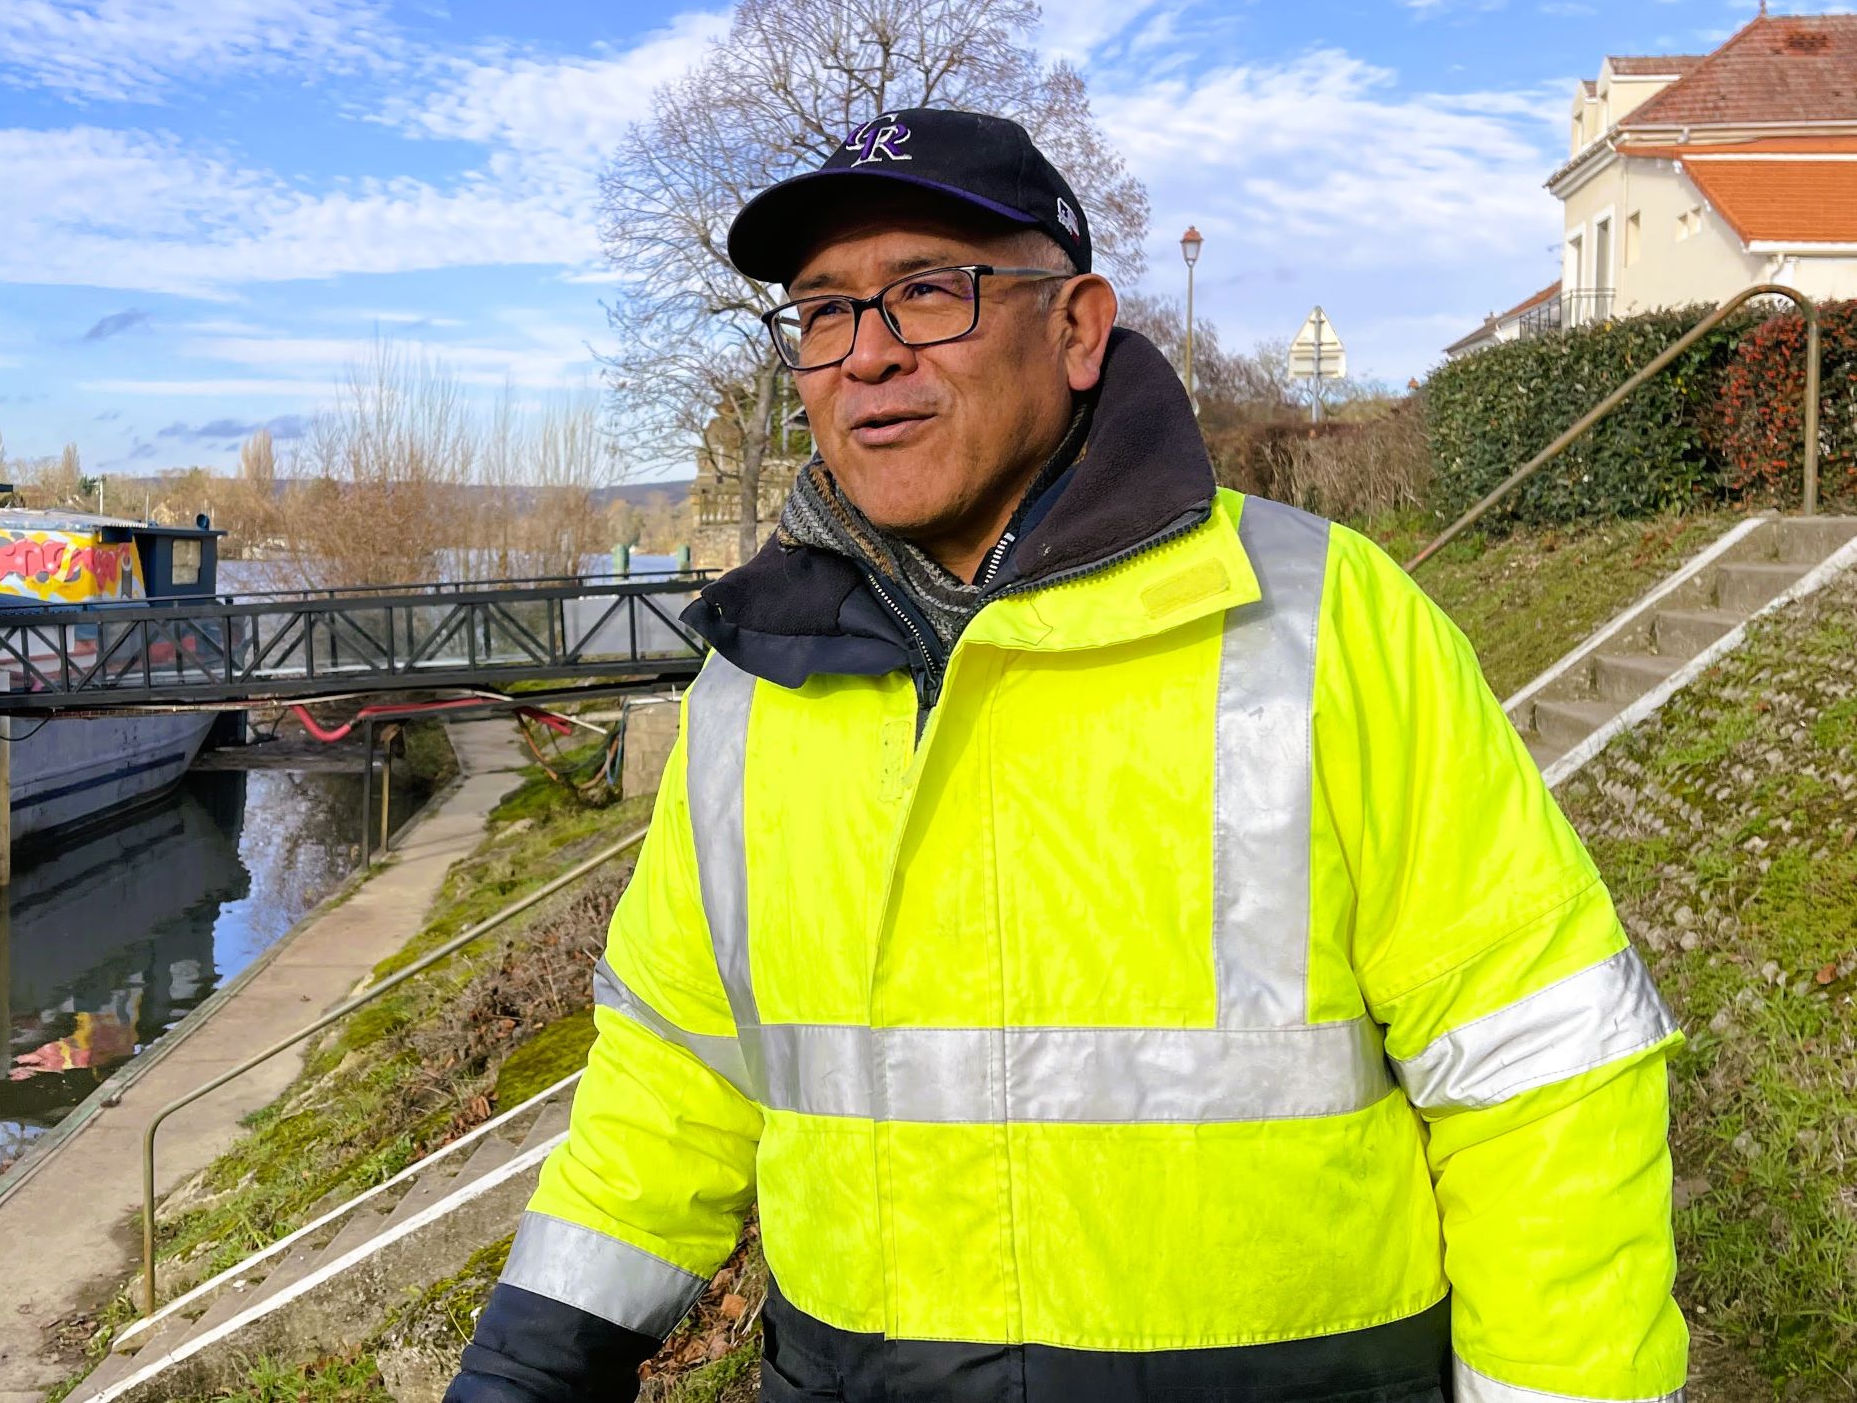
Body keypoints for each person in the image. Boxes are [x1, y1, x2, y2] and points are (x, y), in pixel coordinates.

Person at [446, 107, 1686, 1403]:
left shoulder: (1326, 624)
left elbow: (1542, 1076)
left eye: (929, 292)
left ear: (1079, 329)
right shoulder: (749, 692)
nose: (866, 353)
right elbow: (672, 1076)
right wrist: (526, 1370)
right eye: (823, 312)